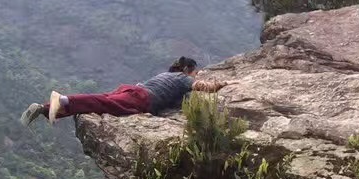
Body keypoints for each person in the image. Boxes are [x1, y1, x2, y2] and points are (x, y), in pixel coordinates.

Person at [20, 57, 225, 125]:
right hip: (142, 98)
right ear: (188, 70)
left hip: (134, 90)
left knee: (100, 103)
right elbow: (202, 88)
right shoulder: (182, 79)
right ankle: (62, 99)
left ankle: (45, 109)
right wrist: (222, 84)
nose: (195, 75)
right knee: (100, 103)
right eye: (194, 72)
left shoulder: (165, 76)